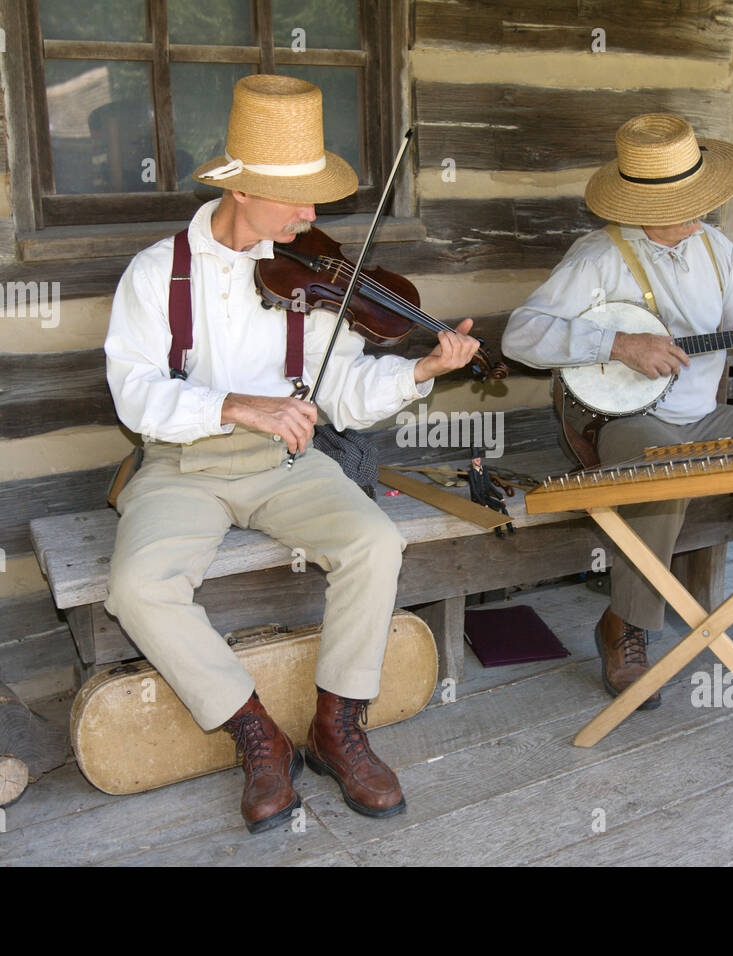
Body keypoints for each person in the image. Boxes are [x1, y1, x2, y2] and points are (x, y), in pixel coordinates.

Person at [103, 74, 479, 831]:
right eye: (298, 197)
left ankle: (337, 729)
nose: (312, 215)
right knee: (140, 586)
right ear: (243, 190)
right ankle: (256, 734)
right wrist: (233, 405)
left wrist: (419, 371)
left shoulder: (305, 274)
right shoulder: (156, 273)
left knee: (375, 541)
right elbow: (134, 397)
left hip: (285, 464)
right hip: (185, 466)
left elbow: (339, 390)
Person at [502, 113, 733, 711]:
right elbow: (520, 337)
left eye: (701, 195)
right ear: (641, 201)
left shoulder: (716, 249)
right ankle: (623, 624)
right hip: (619, 422)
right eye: (685, 201)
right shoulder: (599, 256)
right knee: (666, 471)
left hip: (702, 415)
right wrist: (619, 346)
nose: (700, 211)